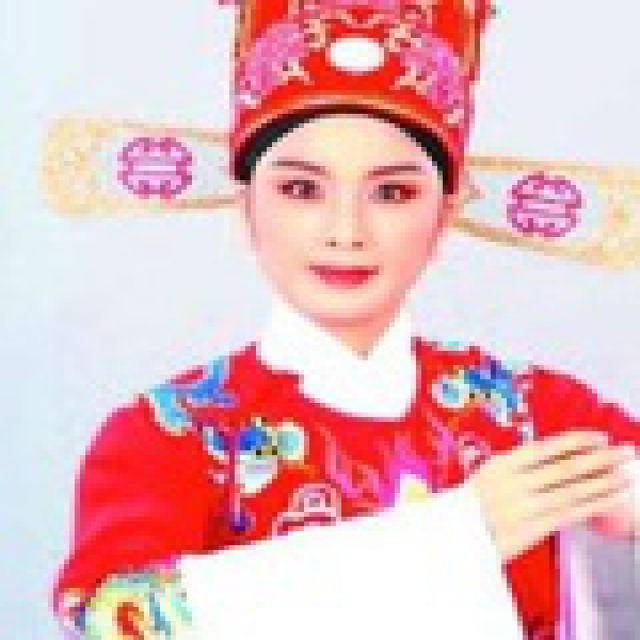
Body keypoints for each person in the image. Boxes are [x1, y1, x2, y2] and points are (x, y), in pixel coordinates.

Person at [51, 1, 640, 638]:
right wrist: (455, 540)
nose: (346, 231)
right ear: (246, 210)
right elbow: (114, 618)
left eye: (392, 193)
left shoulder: (534, 414)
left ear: (443, 219)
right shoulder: (172, 435)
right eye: (302, 189)